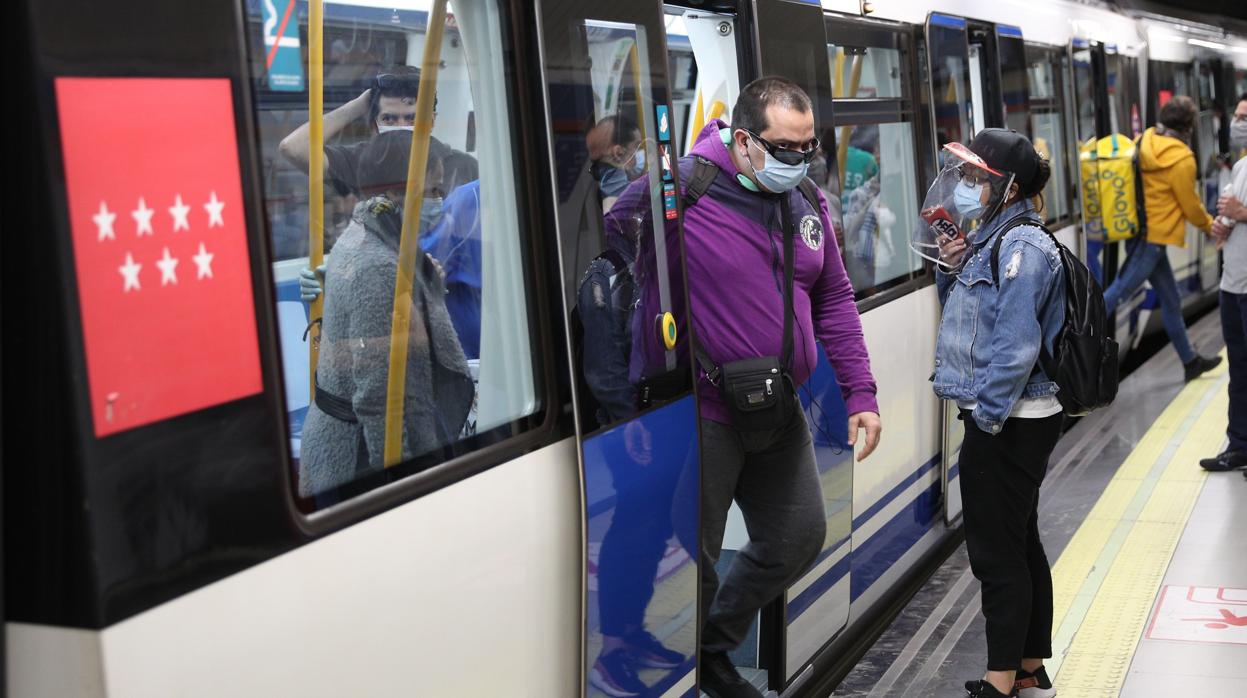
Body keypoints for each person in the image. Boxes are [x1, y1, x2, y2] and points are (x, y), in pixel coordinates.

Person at [609, 77, 882, 698]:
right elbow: (606, 250)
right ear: (743, 140)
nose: (800, 160)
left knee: (798, 535)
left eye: (809, 147)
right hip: (701, 411)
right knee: (694, 551)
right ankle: (700, 672)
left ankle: (711, 643)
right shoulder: (683, 188)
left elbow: (834, 298)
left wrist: (860, 394)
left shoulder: (805, 199)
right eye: (786, 148)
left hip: (778, 406)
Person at [928, 129, 1063, 698]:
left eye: (977, 178)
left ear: (1007, 189)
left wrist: (984, 419)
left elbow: (1012, 348)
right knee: (1020, 538)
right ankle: (1029, 664)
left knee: (995, 552)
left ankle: (1000, 679)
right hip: (1013, 417)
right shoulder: (994, 237)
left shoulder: (1021, 249)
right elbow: (970, 316)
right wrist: (951, 265)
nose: (966, 186)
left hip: (1010, 420)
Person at [298, 131, 473, 498]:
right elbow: (380, 396)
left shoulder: (371, 236)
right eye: (433, 192)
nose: (440, 202)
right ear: (396, 193)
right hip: (357, 459)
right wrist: (403, 482)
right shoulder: (378, 264)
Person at [1101, 95, 1222, 382]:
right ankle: (1064, 343)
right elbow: (1190, 204)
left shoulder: (1145, 140)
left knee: (1171, 300)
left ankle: (1190, 362)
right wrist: (1211, 226)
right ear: (1189, 126)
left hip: (1140, 232)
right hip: (1152, 241)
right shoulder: (1182, 158)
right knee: (1117, 292)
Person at [278, 65, 478, 201]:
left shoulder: (464, 167)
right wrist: (358, 106)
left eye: (412, 119)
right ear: (375, 126)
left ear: (431, 122)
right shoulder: (362, 160)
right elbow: (293, 148)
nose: (401, 127)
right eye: (389, 119)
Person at [1202, 94, 1247, 472]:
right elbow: (1232, 220)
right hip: (1233, 284)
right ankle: (1239, 446)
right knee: (1239, 371)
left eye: (1245, 117)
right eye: (1236, 116)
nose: (1238, 123)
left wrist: (1242, 213)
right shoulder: (1241, 166)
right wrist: (1224, 225)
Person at [586, 114, 645, 212]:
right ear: (618, 153)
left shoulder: (597, 188)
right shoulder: (629, 198)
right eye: (637, 146)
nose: (640, 151)